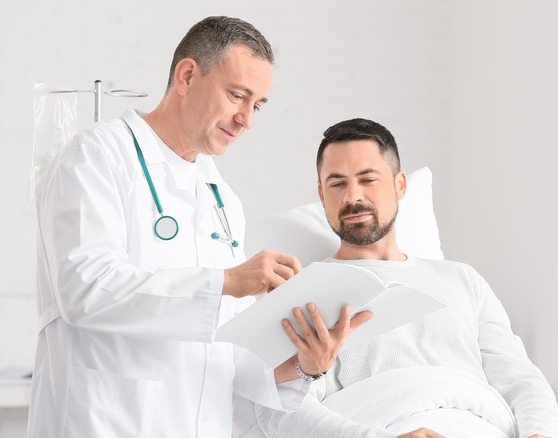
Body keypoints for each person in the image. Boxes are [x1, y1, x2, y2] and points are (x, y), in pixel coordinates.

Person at [27, 17, 370, 438]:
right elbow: (84, 291)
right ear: (187, 76)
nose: (246, 120)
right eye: (236, 95)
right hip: (105, 422)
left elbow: (229, 359)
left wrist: (305, 365)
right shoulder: (97, 155)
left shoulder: (221, 198)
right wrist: (226, 280)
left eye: (257, 105)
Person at [253, 118, 558, 438]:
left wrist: (540, 434)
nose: (352, 196)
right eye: (337, 183)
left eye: (367, 179)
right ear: (322, 194)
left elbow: (523, 380)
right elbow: (279, 410)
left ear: (400, 185)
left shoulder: (463, 280)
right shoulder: (301, 298)